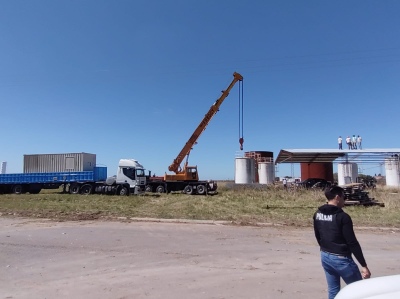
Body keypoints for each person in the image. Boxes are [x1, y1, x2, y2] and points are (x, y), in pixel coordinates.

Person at [313, 186, 371, 299]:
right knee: (360, 290)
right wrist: (364, 265)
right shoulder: (342, 217)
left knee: (333, 291)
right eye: (344, 197)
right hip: (341, 260)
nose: (345, 200)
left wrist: (326, 249)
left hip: (325, 256)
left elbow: (318, 235)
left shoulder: (317, 214)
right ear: (337, 197)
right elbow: (352, 242)